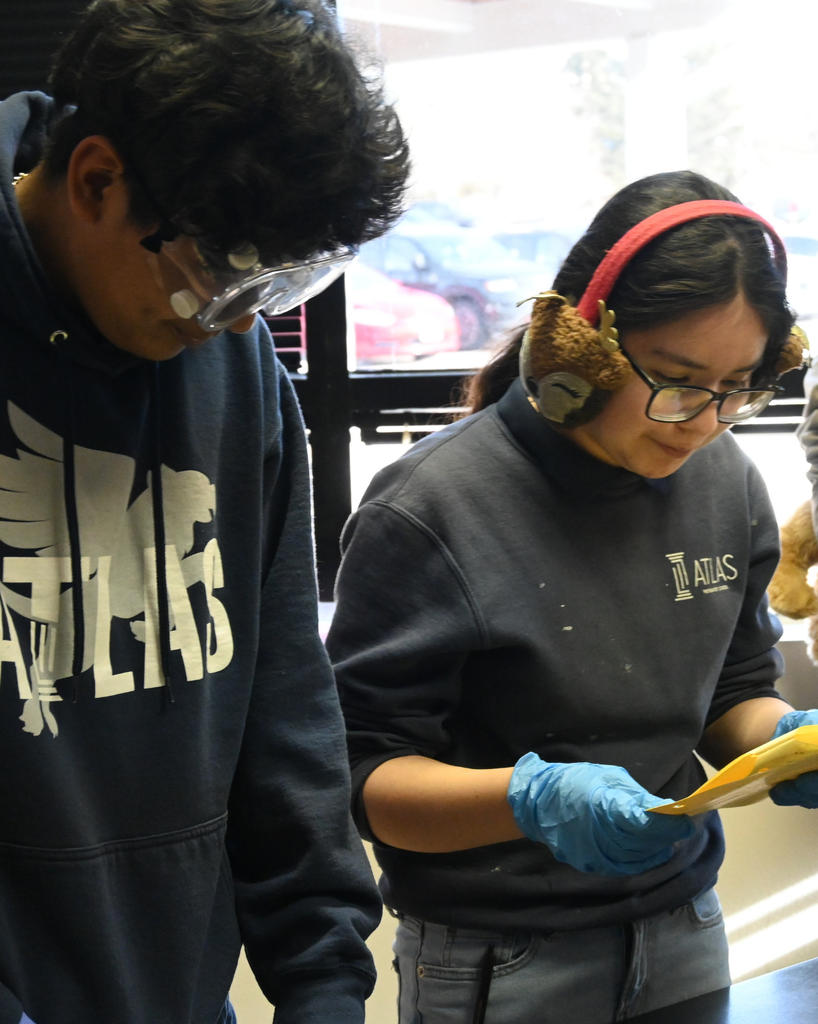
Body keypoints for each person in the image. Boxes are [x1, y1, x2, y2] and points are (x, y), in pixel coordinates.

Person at [327, 170, 818, 1024]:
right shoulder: (431, 508)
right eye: (675, 378)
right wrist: (531, 802)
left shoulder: (726, 481)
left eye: (737, 388)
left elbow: (733, 686)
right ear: (578, 352)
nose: (701, 422)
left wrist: (778, 741)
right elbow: (366, 781)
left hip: (686, 927)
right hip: (502, 957)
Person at [0, 1, 409, 1022]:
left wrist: (323, 987)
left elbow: (284, 708)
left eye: (269, 289)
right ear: (96, 179)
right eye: (215, 280)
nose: (229, 323)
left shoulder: (233, 367)